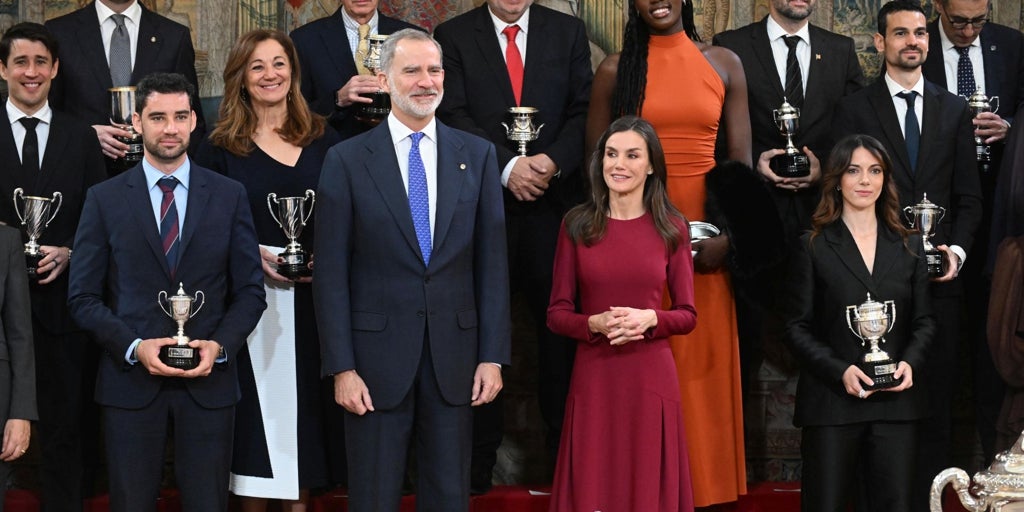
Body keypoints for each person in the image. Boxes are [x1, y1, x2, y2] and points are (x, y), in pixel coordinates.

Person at [313, 29, 510, 512]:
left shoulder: (478, 155)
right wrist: (341, 367)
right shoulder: (347, 159)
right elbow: (332, 273)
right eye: (412, 70)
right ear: (384, 79)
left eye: (434, 70)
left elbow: (492, 264)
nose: (426, 82)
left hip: (456, 359)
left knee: (448, 494)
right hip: (372, 363)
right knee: (374, 495)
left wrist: (492, 356)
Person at [67, 72, 266, 512]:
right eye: (157, 117)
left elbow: (251, 292)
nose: (170, 128)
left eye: (179, 116)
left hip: (209, 384)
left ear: (195, 121)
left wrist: (219, 346)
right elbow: (82, 297)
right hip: (130, 386)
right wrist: (135, 346)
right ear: (137, 122)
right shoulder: (104, 198)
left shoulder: (230, 196)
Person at [586, 0, 751, 506]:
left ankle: (702, 492)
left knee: (700, 374)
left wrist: (728, 241)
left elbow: (741, 168)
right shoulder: (616, 69)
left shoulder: (723, 62)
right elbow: (596, 170)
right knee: (646, 369)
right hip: (637, 243)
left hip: (706, 245)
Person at [433, 0, 592, 490]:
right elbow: (451, 111)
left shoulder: (566, 31)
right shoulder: (454, 34)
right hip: (482, 210)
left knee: (559, 341)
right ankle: (476, 470)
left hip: (553, 209)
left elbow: (583, 109)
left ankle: (564, 468)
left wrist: (551, 162)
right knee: (481, 338)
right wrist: (506, 167)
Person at [831, 3, 982, 508]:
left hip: (941, 285)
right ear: (880, 43)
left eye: (920, 32)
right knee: (879, 406)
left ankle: (932, 503)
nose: (913, 41)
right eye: (900, 33)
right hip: (877, 286)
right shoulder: (853, 109)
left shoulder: (954, 109)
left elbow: (969, 198)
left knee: (935, 401)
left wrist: (955, 251)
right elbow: (843, 195)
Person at [194, 29, 341, 510]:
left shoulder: (326, 139)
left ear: (294, 73)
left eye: (279, 63)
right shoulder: (217, 148)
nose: (270, 74)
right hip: (249, 309)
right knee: (256, 435)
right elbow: (203, 226)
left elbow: (349, 215)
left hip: (317, 306)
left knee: (305, 430)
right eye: (257, 66)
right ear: (240, 78)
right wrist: (250, 257)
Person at [712, 0, 866, 391]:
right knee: (746, 338)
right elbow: (712, 129)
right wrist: (751, 162)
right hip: (755, 216)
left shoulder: (841, 50)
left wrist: (825, 169)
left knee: (826, 335)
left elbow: (856, 129)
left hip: (823, 216)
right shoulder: (731, 46)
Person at [547, 115, 696, 512]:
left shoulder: (673, 227)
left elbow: (687, 314)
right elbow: (557, 313)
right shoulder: (576, 225)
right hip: (595, 376)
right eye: (611, 154)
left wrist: (652, 319)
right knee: (595, 484)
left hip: (651, 376)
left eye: (632, 155)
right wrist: (591, 324)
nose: (619, 164)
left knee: (647, 486)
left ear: (650, 165)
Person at [785, 134, 935, 511]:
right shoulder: (812, 245)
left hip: (896, 404)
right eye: (854, 171)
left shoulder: (910, 246)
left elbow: (925, 321)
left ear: (885, 179)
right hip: (832, 404)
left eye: (874, 171)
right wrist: (841, 372)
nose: (865, 181)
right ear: (837, 179)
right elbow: (795, 327)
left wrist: (910, 363)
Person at [0, 22, 107, 512]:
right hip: (1, 316)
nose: (31, 72)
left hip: (60, 307)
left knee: (65, 429)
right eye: (21, 61)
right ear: (3, 69)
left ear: (56, 69)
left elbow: (97, 219)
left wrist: (68, 252)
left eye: (41, 62)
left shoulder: (80, 137)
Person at [922, 0, 1024, 463]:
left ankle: (994, 464)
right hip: (938, 224)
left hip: (999, 221)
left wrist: (1010, 129)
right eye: (958, 21)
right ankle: (932, 470)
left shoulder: (1012, 45)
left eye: (978, 21)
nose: (968, 32)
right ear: (937, 7)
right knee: (937, 351)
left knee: (994, 346)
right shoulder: (915, 41)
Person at [45, 0, 206, 174]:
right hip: (80, 176)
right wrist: (84, 137)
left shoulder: (174, 36)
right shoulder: (59, 33)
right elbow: (46, 113)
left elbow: (192, 121)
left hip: (154, 181)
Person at [290, 0, 422, 139]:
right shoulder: (304, 40)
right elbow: (293, 111)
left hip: (395, 146)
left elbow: (425, 101)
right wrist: (338, 99)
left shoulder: (413, 38)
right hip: (332, 148)